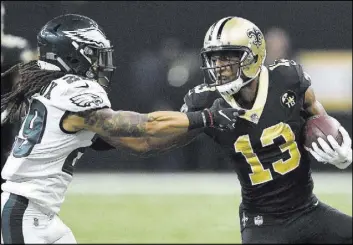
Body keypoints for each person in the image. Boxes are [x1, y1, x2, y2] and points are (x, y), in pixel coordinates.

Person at [0, 14, 243, 244]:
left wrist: (195, 127)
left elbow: (141, 144)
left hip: (37, 213)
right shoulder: (70, 90)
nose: (100, 62)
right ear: (75, 55)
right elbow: (143, 125)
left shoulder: (52, 90)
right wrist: (204, 117)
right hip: (25, 214)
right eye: (94, 55)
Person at [109, 16, 352, 243]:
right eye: (215, 58)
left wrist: (340, 147)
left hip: (309, 210)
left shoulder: (287, 78)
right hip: (263, 223)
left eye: (228, 57)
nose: (219, 66)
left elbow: (318, 116)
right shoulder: (205, 101)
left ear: (253, 56)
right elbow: (152, 142)